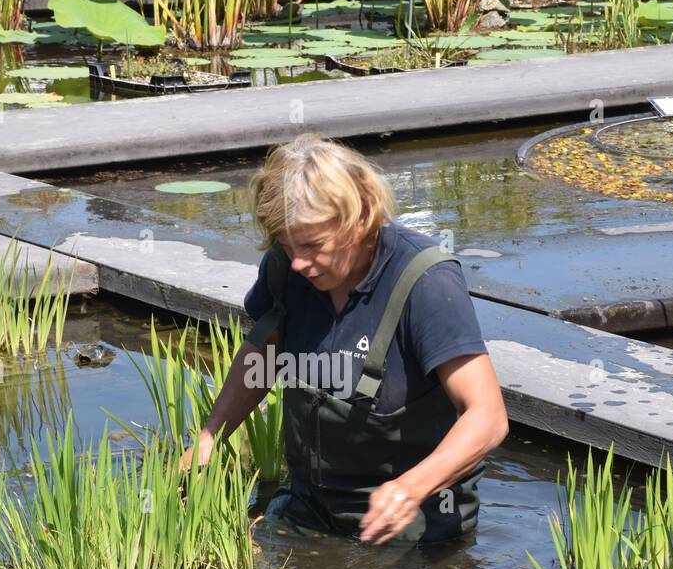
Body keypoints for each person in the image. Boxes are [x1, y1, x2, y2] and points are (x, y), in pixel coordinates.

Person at [184, 134, 508, 545]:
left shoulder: (426, 282)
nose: (299, 261)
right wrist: (211, 435)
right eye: (286, 245)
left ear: (360, 219)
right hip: (309, 508)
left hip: (416, 526)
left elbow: (488, 417)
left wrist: (410, 488)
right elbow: (261, 356)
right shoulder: (287, 270)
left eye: (313, 245)